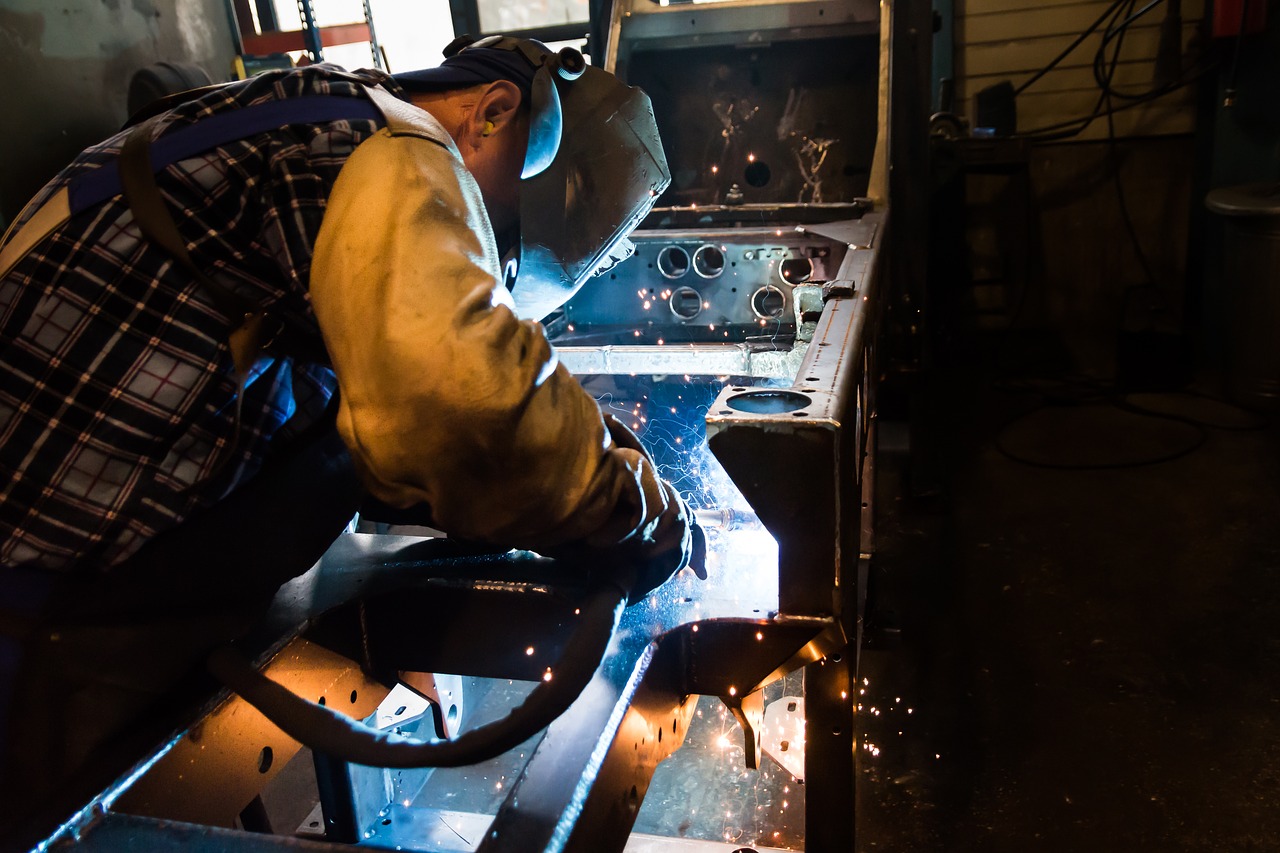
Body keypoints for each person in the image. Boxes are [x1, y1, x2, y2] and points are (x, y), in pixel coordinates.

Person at [0, 35, 691, 846]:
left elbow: (408, 394)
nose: (486, 255)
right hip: (38, 607)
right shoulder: (392, 149)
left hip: (82, 576)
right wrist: (636, 515)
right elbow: (465, 408)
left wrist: (594, 451)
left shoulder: (312, 124)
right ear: (495, 113)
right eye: (498, 232)